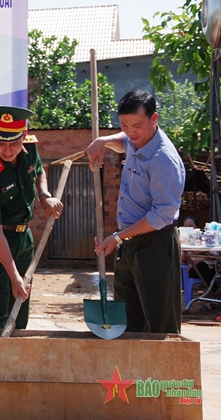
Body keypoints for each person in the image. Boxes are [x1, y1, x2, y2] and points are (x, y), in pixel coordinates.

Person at [88, 89, 185, 334]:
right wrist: (102, 141)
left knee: (159, 322)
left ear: (154, 119)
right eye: (124, 125)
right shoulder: (134, 141)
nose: (131, 132)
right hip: (128, 243)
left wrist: (118, 237)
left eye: (137, 125)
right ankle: (130, 373)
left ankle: (161, 373)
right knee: (127, 319)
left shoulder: (163, 159)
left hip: (155, 244)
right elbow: (123, 142)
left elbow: (161, 215)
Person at [0, 106, 63, 330]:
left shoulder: (29, 147)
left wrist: (44, 197)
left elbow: (38, 171)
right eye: (0, 143)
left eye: (14, 143)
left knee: (20, 311)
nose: (8, 150)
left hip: (24, 240)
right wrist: (13, 276)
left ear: (24, 134)